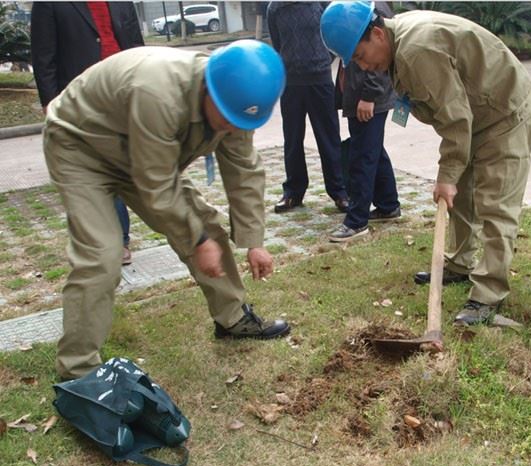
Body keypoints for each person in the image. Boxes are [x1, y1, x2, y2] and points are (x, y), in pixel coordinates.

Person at [42, 41, 291, 381]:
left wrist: (254, 241)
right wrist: (197, 241)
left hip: (139, 152)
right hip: (81, 146)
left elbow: (244, 171)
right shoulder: (157, 92)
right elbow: (156, 184)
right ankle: (78, 371)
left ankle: (232, 318)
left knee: (207, 225)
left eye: (239, 123)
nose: (231, 129)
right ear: (209, 89)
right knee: (102, 255)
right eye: (228, 119)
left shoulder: (235, 108)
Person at [321, 1, 531, 326]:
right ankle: (460, 264)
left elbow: (455, 119)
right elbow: (456, 116)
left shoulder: (416, 51)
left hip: (505, 113)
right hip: (476, 112)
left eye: (362, 58)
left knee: (495, 205)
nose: (363, 68)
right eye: (355, 63)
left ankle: (487, 295)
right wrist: (452, 177)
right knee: (460, 196)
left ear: (377, 34)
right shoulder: (396, 46)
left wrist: (445, 176)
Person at [31, 1, 143, 266]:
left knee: (127, 165)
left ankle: (116, 237)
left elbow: (137, 46)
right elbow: (43, 55)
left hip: (125, 93)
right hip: (82, 100)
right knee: (101, 168)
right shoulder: (49, 4)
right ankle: (116, 240)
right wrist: (50, 102)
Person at [267, 1, 349, 214]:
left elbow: (331, 37)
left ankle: (340, 192)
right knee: (292, 140)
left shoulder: (321, 3)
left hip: (320, 79)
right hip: (291, 82)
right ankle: (293, 191)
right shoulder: (275, 8)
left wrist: (321, 59)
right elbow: (278, 44)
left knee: (328, 138)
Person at [328, 2, 401, 243]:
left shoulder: (370, 8)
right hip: (355, 95)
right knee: (372, 150)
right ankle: (388, 204)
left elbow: (381, 54)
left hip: (368, 98)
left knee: (362, 156)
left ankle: (356, 221)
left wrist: (369, 95)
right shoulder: (347, 5)